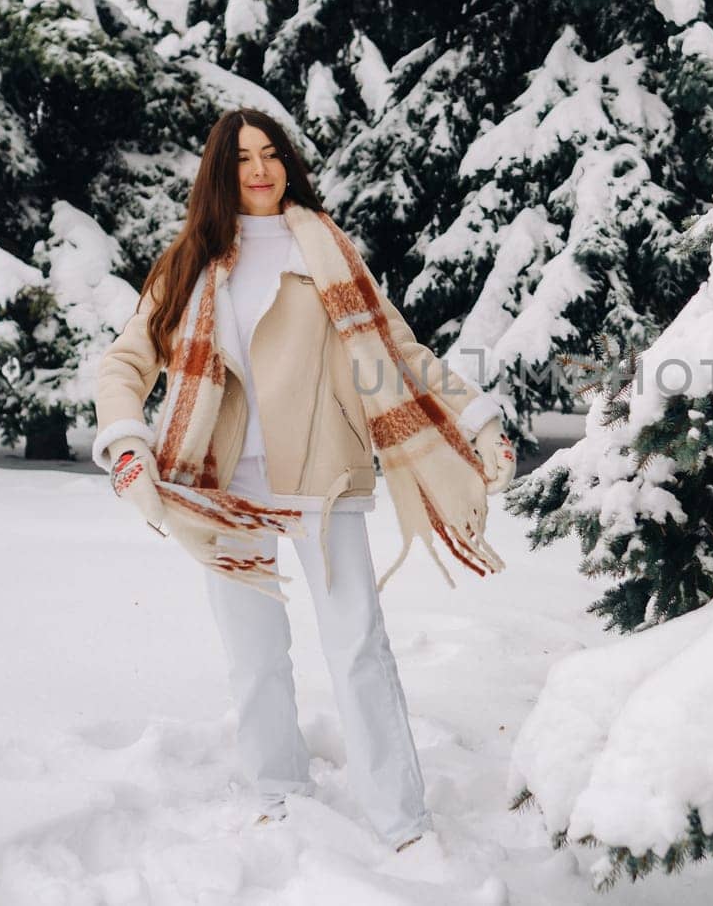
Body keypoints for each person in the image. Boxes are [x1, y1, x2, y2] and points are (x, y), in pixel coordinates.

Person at [88, 107, 516, 851]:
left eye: (270, 153)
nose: (258, 169)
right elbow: (124, 364)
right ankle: (276, 788)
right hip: (221, 487)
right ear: (220, 174)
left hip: (321, 481)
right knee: (252, 652)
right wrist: (128, 442)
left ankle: (400, 816)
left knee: (358, 646)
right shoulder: (187, 261)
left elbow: (396, 351)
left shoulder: (325, 249)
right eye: (242, 158)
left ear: (288, 162)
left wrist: (472, 415)